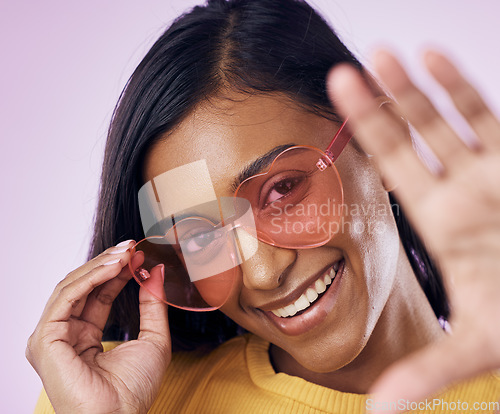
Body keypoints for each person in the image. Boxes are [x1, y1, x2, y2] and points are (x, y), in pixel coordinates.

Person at [27, 0, 500, 413]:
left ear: (380, 139)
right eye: (198, 235)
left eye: (282, 190)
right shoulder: (102, 397)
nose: (260, 274)